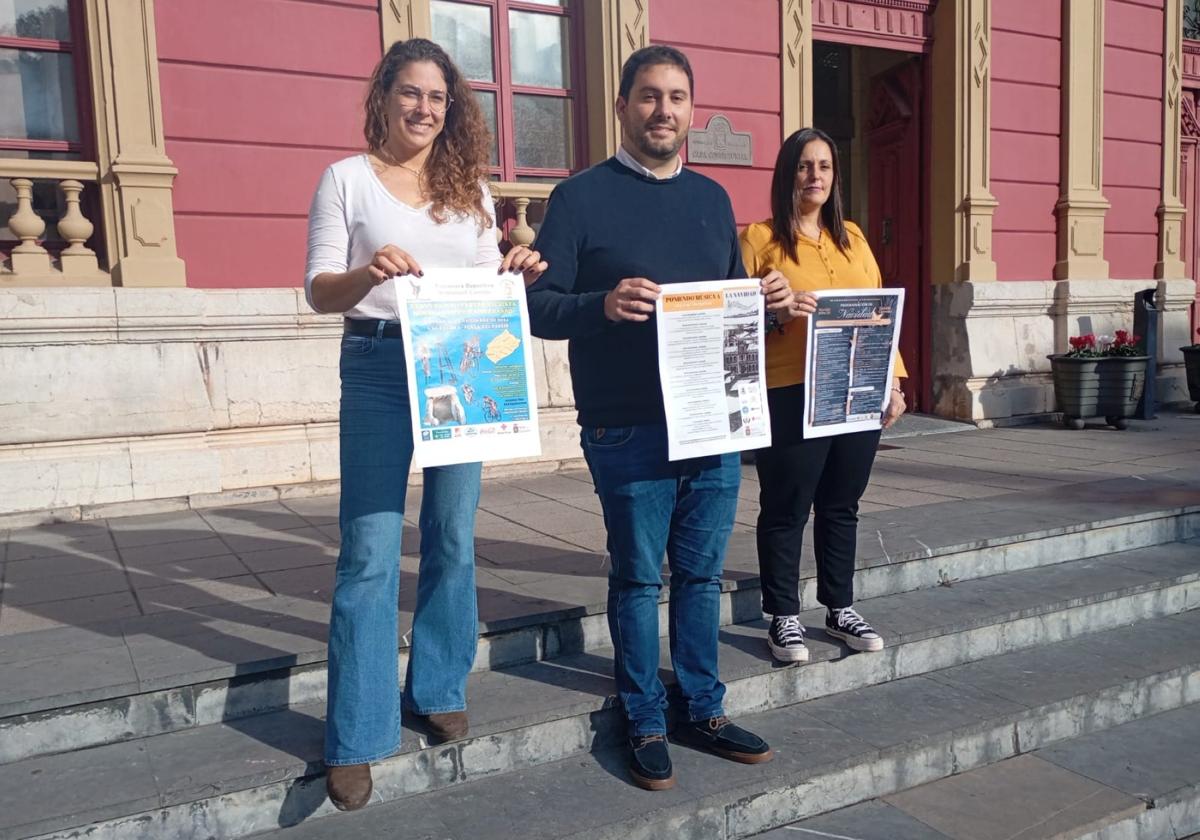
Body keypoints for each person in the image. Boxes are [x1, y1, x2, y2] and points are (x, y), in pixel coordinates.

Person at [526, 45, 797, 791]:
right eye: (649, 96)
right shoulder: (577, 199)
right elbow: (537, 309)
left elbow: (734, 308)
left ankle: (703, 708)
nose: (664, 111)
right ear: (622, 106)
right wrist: (601, 306)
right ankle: (645, 716)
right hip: (627, 425)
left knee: (703, 577)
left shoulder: (713, 201)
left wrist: (768, 307)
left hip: (712, 422)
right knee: (641, 579)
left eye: (677, 97)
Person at [304, 38, 546, 812]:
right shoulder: (345, 180)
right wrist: (365, 274)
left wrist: (516, 266)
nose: (424, 108)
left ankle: (436, 685)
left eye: (438, 97)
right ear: (384, 96)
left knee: (452, 533)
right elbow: (317, 290)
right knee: (370, 552)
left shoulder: (467, 191)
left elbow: (485, 285)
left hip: (460, 364)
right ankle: (358, 732)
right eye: (411, 93)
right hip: (376, 365)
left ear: (452, 108)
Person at [739, 127, 907, 665]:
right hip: (789, 389)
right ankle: (783, 615)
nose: (815, 176)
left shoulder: (853, 238)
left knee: (842, 504)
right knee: (786, 506)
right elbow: (736, 322)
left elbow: (881, 313)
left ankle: (840, 607)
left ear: (835, 177)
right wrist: (775, 312)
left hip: (854, 388)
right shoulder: (758, 239)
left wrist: (894, 381)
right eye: (805, 166)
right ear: (787, 172)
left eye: (825, 167)